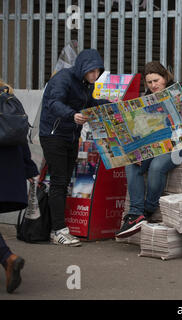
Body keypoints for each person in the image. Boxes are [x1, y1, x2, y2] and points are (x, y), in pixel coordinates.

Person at [115, 61, 182, 238]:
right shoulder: (146, 98)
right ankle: (136, 213)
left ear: (165, 78)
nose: (153, 85)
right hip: (159, 144)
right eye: (149, 82)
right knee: (132, 164)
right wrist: (136, 151)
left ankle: (149, 210)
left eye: (156, 80)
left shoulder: (181, 87)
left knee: (157, 166)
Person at [39, 49, 110, 247]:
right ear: (81, 68)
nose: (94, 76)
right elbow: (53, 102)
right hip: (53, 135)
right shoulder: (63, 78)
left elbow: (90, 103)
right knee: (59, 181)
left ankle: (57, 227)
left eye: (97, 72)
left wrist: (110, 105)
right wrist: (72, 115)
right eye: (91, 71)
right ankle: (58, 231)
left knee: (64, 181)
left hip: (71, 136)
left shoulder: (86, 84)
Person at [0, 80, 39, 293]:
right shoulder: (7, 95)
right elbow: (21, 135)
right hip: (10, 167)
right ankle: (8, 259)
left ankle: (8, 258)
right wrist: (29, 168)